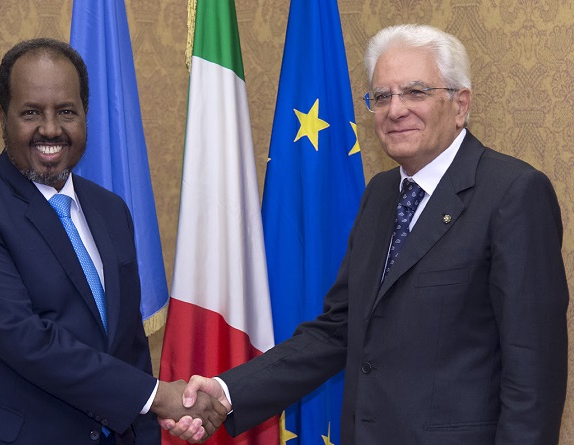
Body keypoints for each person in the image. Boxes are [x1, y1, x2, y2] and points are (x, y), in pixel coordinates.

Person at [162, 24, 569, 444]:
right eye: (382, 96)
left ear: (460, 104)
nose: (395, 110)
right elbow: (338, 329)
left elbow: (533, 375)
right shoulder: (381, 194)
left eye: (415, 92)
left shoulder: (513, 193)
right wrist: (228, 393)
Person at [0, 38, 226, 445]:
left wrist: (149, 417)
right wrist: (157, 397)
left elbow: (129, 349)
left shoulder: (111, 210)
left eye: (66, 111)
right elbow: (26, 339)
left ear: (84, 114)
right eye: (31, 112)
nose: (50, 129)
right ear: (3, 117)